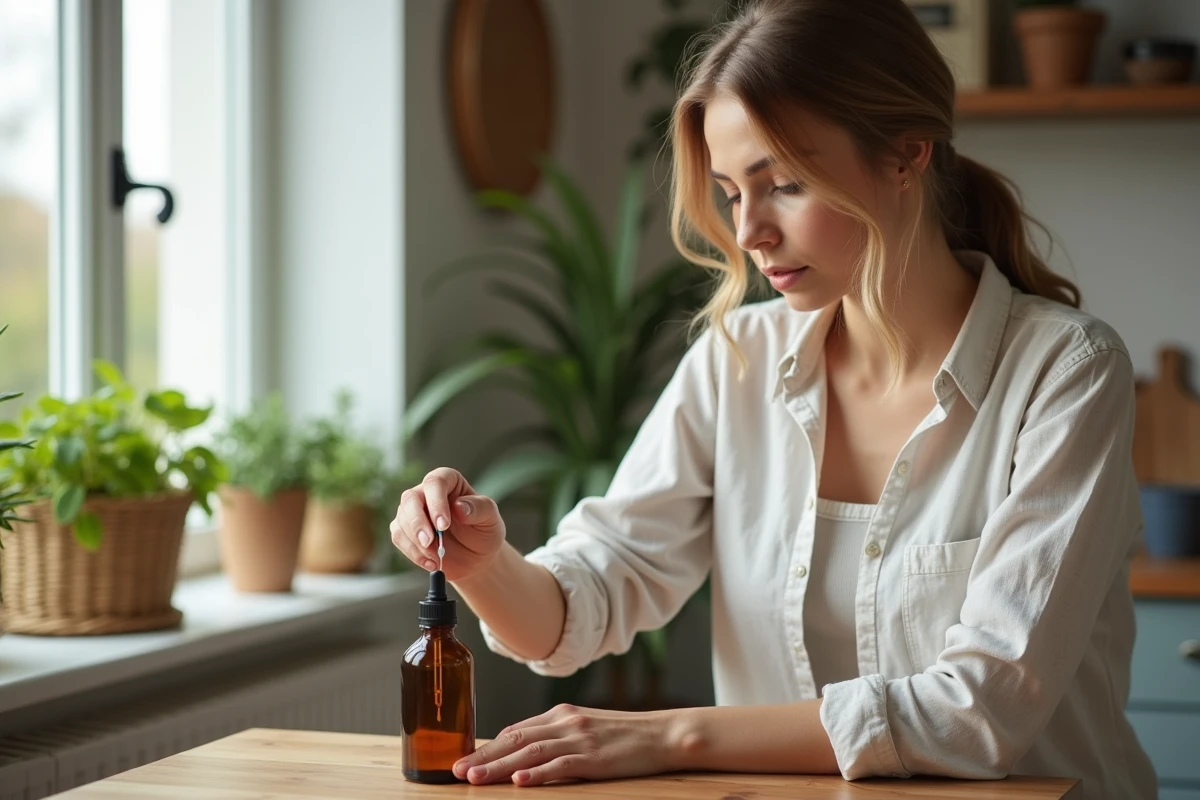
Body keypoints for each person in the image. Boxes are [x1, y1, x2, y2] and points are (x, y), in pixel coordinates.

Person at [389, 0, 1156, 796]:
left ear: (906, 155)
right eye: (729, 192)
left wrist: (671, 735)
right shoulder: (737, 361)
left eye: (783, 184)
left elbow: (978, 712)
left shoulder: (1067, 371)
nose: (749, 230)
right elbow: (585, 598)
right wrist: (483, 564)